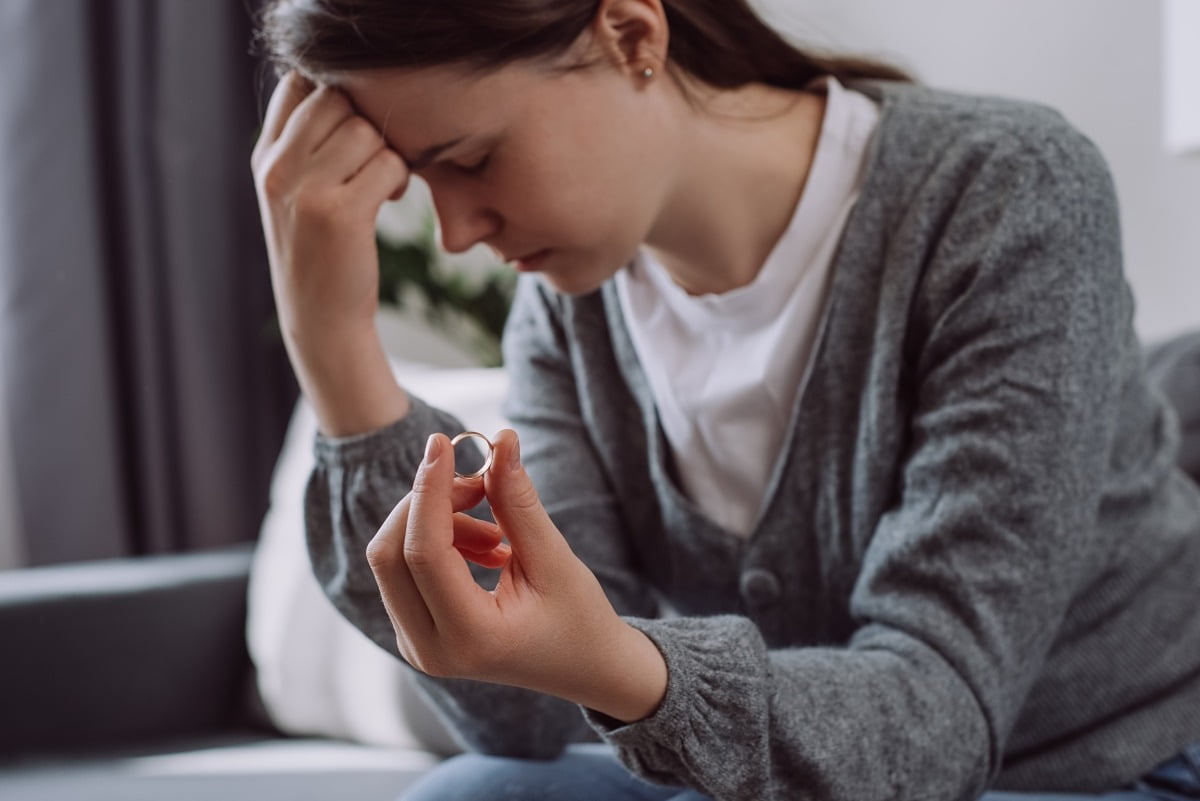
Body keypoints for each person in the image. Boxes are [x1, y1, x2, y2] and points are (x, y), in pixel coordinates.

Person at [250, 1, 1200, 799]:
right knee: (475, 793)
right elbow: (526, 719)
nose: (456, 234)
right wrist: (338, 362)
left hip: (1092, 769)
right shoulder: (569, 312)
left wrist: (618, 664)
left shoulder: (1004, 193)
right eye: (422, 179)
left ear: (630, 35)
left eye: (474, 157)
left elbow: (940, 711)